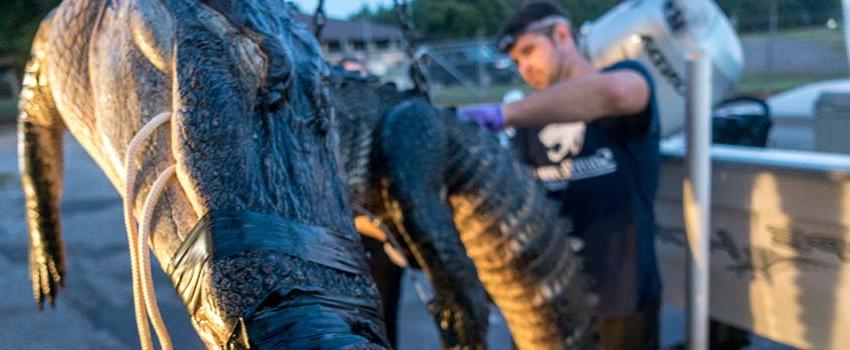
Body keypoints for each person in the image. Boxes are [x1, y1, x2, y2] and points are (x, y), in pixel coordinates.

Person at [458, 2, 661, 349]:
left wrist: (504, 113)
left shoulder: (621, 80)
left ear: (562, 35)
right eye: (517, 62)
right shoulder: (528, 122)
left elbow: (617, 92)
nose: (524, 69)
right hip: (545, 305)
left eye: (529, 51)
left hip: (620, 302)